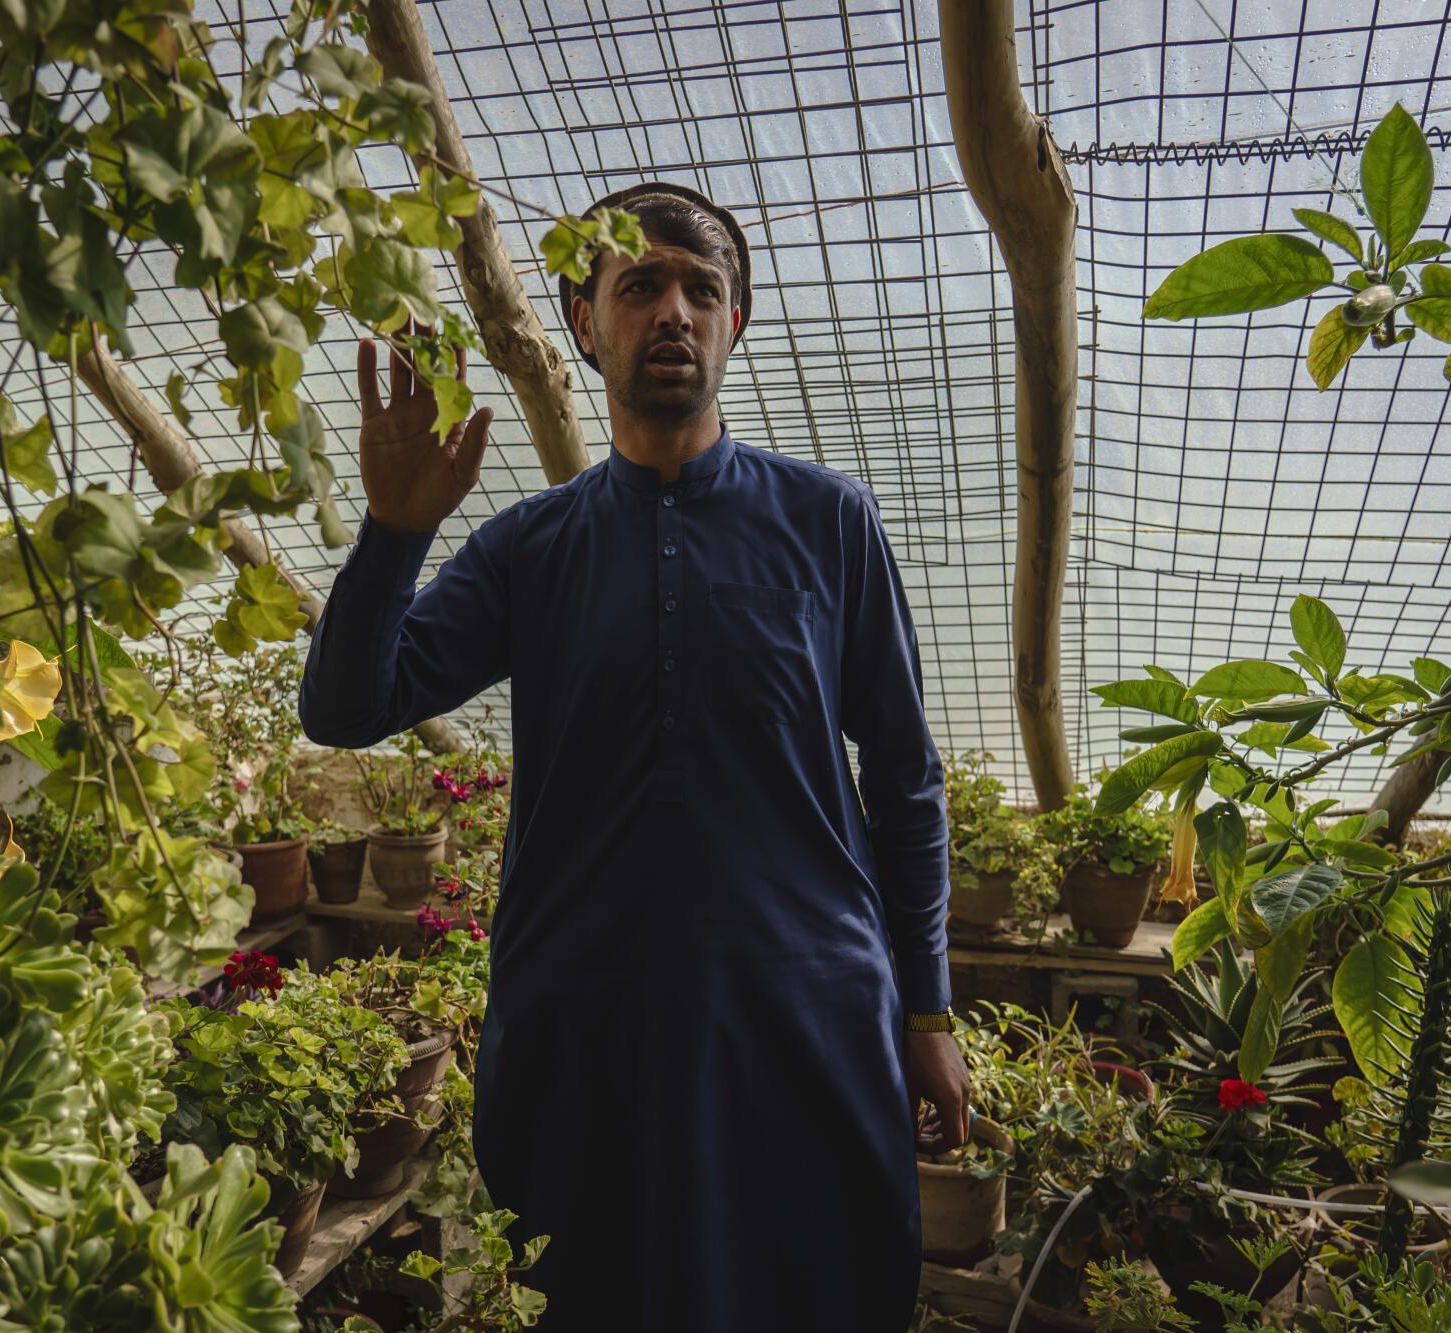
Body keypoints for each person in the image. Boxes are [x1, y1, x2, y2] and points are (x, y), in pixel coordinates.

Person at [299, 179, 970, 1332]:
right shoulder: (528, 547)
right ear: (583, 320)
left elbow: (903, 780)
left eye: (700, 289)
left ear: (733, 325)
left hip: (805, 1019)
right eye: (640, 284)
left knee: (818, 1288)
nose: (672, 310)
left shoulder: (829, 523)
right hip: (584, 1034)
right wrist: (394, 532)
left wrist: (928, 1011)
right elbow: (347, 708)